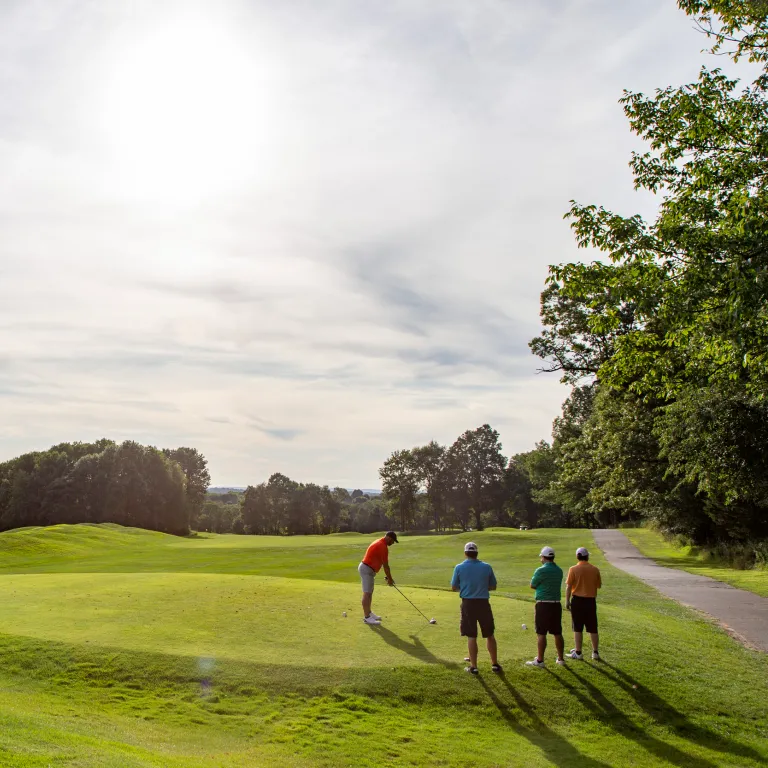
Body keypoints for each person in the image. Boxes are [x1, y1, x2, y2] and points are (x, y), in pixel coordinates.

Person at [451, 541, 501, 675]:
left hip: (468, 603)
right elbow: (493, 586)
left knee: (471, 635)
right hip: (484, 603)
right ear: (477, 553)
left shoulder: (459, 567)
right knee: (489, 634)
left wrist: (466, 588)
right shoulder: (486, 567)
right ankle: (495, 664)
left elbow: (454, 587)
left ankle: (474, 667)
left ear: (465, 553)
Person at [525, 546, 565, 667]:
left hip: (543, 604)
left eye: (541, 557)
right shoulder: (559, 570)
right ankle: (561, 659)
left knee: (541, 633)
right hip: (556, 604)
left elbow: (532, 585)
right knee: (557, 632)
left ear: (543, 557)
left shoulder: (540, 570)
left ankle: (540, 660)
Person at [566, 546, 602, 660]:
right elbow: (598, 585)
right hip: (591, 601)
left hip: (577, 601)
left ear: (577, 556)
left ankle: (578, 652)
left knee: (577, 627)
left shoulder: (573, 569)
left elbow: (569, 586)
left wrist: (567, 600)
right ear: (587, 556)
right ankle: (595, 653)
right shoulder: (595, 569)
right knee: (592, 627)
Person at [358, 531, 398, 624]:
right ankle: (367, 617)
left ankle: (369, 613)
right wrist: (390, 579)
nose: (392, 543)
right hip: (366, 569)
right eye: (392, 541)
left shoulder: (380, 543)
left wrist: (388, 577)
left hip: (369, 569)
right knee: (366, 593)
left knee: (370, 592)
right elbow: (386, 566)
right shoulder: (382, 546)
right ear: (388, 537)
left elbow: (378, 561)